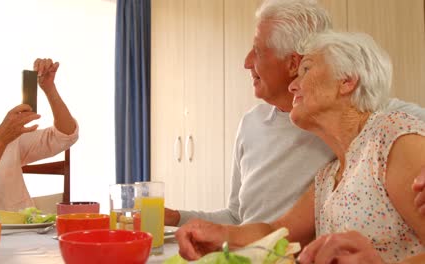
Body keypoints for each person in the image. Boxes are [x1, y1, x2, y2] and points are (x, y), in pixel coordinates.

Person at [165, 0, 425, 227]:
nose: (246, 62)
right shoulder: (252, 124)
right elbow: (240, 219)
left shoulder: (360, 114)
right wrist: (176, 218)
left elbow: (401, 130)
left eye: (257, 51)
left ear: (292, 63)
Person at [0, 55, 78, 218]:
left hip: (31, 241)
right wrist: (0, 139)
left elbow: (65, 135)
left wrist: (49, 88)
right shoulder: (1, 140)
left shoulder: (8, 143)